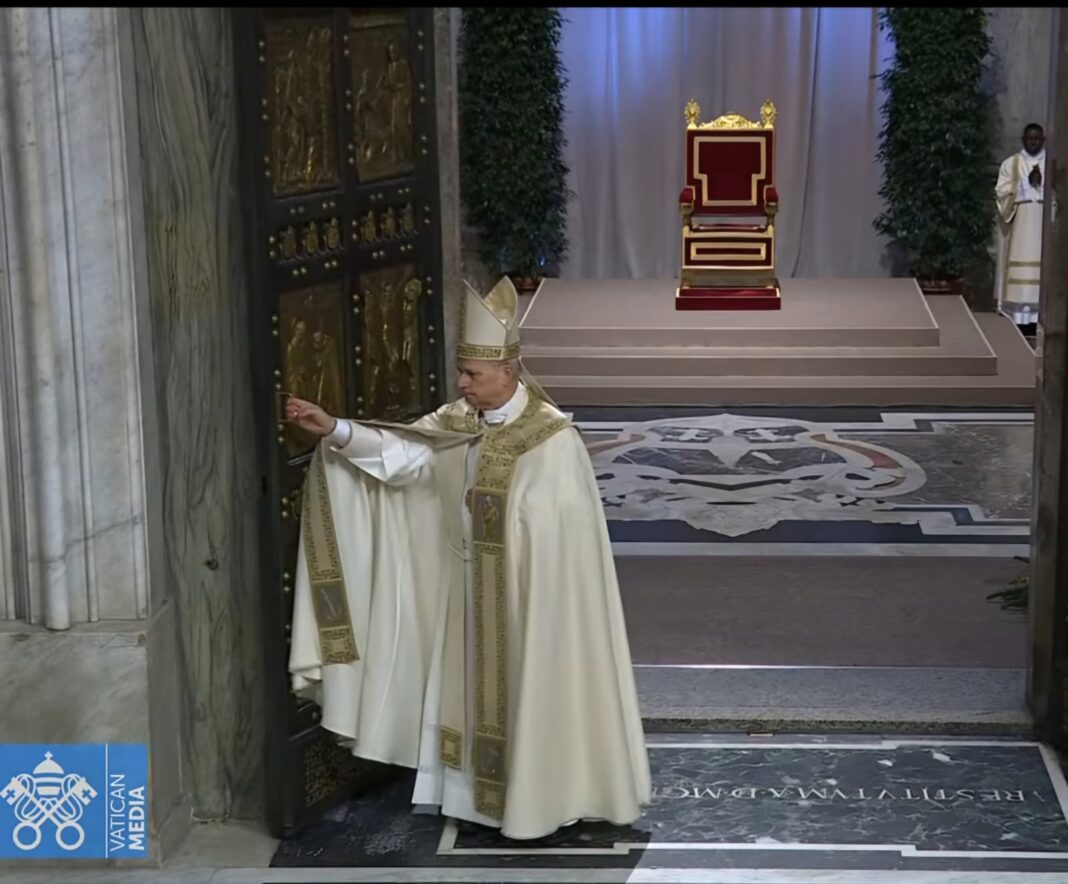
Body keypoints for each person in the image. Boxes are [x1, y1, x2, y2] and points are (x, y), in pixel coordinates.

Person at [284, 276, 651, 840]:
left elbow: (561, 544)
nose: (462, 384)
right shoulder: (457, 422)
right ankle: (472, 799)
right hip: (464, 597)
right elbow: (403, 456)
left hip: (531, 607)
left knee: (535, 691)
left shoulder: (552, 441)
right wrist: (336, 430)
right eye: (462, 373)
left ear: (508, 373)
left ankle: (542, 797)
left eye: (473, 375)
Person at [994, 123, 1054, 332]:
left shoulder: (1054, 163)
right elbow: (1002, 194)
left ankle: (1042, 314)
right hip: (1021, 226)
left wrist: (1046, 187)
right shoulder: (1011, 164)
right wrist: (1024, 186)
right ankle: (1019, 314)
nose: (1034, 142)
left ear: (1043, 140)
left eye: (1037, 139)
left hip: (1045, 225)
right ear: (1023, 139)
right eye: (1030, 139)